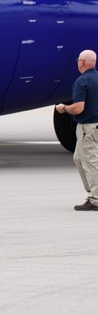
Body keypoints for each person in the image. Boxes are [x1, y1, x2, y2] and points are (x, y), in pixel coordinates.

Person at [59, 50, 98, 211]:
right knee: (79, 158)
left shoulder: (82, 81)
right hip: (95, 125)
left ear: (82, 62)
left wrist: (64, 108)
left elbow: (78, 108)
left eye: (78, 60)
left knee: (89, 161)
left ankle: (95, 199)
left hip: (88, 127)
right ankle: (93, 192)